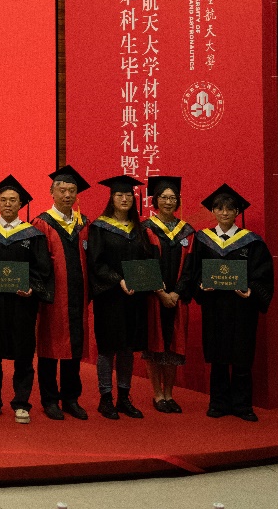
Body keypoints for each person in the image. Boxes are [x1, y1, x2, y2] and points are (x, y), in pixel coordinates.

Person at [176, 183, 274, 420]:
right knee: (218, 357)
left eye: (230, 209)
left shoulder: (252, 242)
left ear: (237, 212)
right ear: (213, 211)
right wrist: (201, 286)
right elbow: (193, 270)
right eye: (219, 208)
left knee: (242, 357)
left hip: (242, 309)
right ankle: (218, 403)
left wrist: (251, 291)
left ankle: (242, 406)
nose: (225, 213)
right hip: (215, 307)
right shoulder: (203, 239)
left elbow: (263, 274)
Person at [0, 175, 52, 425]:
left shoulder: (33, 235)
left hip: (22, 304)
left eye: (13, 200)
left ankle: (21, 403)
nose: (8, 204)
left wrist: (32, 288)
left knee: (24, 355)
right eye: (3, 200)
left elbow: (42, 269)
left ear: (20, 204)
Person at [87, 174, 153, 419]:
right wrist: (118, 280)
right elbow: (96, 263)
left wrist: (148, 280)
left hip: (134, 297)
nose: (124, 198)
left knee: (127, 348)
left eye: (128, 195)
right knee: (108, 347)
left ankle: (124, 397)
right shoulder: (99, 228)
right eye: (119, 195)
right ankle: (105, 398)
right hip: (110, 297)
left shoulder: (139, 229)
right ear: (111, 198)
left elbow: (146, 260)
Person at [34, 164, 91, 420]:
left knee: (74, 348)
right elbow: (37, 264)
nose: (67, 195)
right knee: (49, 348)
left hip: (78, 296)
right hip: (52, 298)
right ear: (52, 192)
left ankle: (70, 398)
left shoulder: (84, 223)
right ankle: (49, 399)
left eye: (71, 190)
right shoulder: (42, 223)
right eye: (62, 190)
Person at [141, 175, 192, 414]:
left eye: (173, 198)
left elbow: (192, 267)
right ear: (155, 200)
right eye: (164, 197)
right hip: (154, 298)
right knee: (154, 345)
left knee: (173, 347)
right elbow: (145, 264)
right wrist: (161, 293)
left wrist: (177, 293)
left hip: (177, 300)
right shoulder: (146, 229)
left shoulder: (187, 232)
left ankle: (169, 394)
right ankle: (157, 394)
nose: (169, 202)